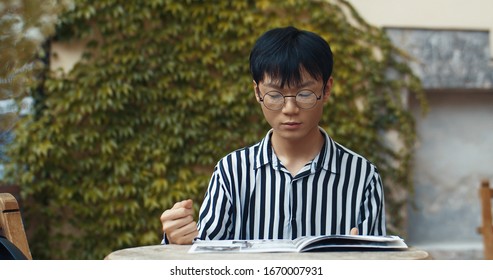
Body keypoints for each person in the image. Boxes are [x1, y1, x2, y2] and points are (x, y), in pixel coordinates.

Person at [160, 26, 386, 245]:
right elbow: (204, 256)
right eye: (275, 94)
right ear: (257, 92)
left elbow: (378, 266)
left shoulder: (362, 176)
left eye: (304, 93)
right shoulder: (232, 172)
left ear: (326, 90)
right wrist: (178, 239)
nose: (290, 108)